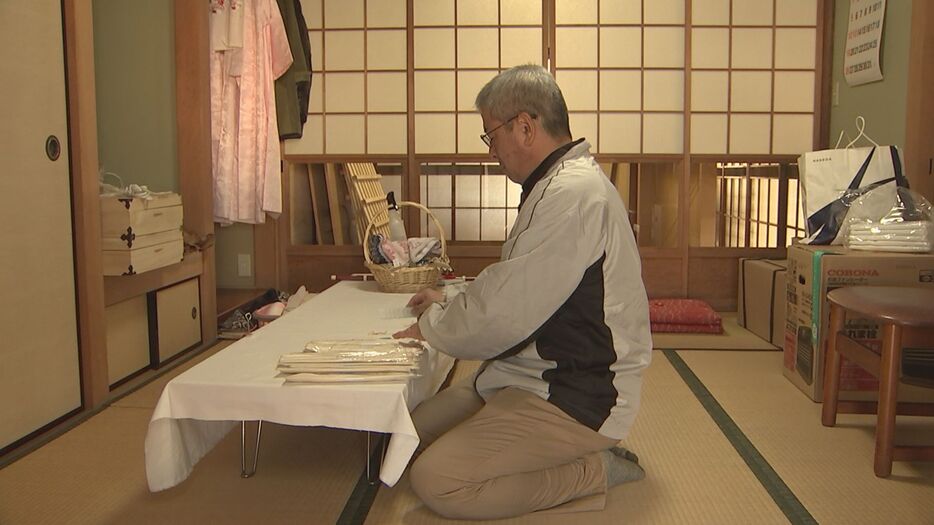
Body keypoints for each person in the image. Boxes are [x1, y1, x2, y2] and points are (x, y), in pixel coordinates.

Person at [392, 64, 652, 520]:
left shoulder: (573, 194)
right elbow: (514, 286)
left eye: (490, 136)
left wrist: (430, 328)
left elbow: (504, 315)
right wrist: (448, 302)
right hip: (527, 374)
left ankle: (595, 470)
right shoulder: (557, 185)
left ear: (526, 126)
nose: (491, 150)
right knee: (408, 435)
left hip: (575, 390)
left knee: (436, 480)